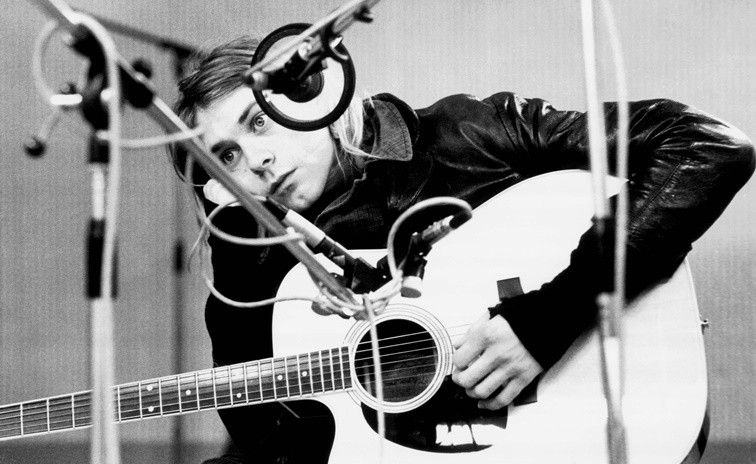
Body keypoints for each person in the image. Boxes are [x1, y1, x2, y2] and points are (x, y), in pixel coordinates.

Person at [170, 35, 755, 464]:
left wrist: (549, 319)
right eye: (225, 156)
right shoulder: (249, 254)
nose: (256, 161)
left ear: (307, 95)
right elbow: (264, 431)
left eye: (258, 123)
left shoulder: (469, 135)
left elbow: (705, 147)